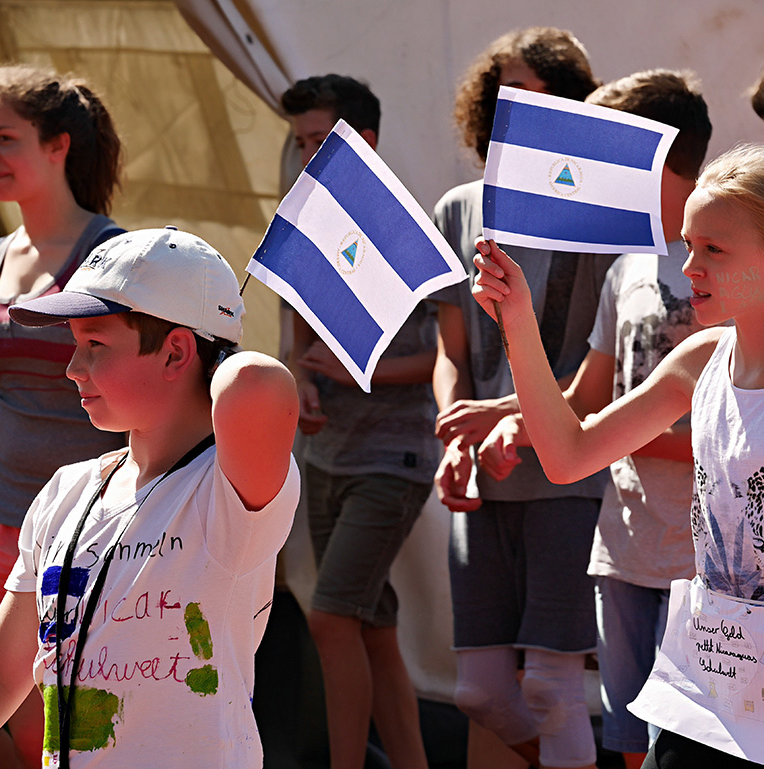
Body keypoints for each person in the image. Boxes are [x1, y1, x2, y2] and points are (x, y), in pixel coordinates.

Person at [470, 145, 764, 769]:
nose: (689, 266)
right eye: (687, 244)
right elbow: (568, 455)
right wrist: (517, 320)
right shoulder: (698, 361)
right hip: (705, 689)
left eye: (713, 249)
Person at [0, 226, 299, 768]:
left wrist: (217, 355)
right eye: (74, 344)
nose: (72, 369)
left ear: (175, 354)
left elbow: (257, 386)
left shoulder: (225, 494)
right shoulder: (64, 494)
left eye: (95, 345)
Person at [477, 69, 710, 769]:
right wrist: (514, 426)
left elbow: (740, 431)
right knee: (634, 746)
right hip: (625, 548)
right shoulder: (625, 265)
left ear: (658, 156)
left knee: (692, 747)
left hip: (705, 563)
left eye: (609, 154)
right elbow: (586, 394)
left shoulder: (724, 262)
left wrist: (612, 441)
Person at [432, 26, 608, 769]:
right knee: (477, 691)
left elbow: (603, 370)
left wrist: (520, 426)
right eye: (501, 97)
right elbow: (453, 351)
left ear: (572, 110)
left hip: (572, 477)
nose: (512, 114)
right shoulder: (458, 207)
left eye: (531, 97)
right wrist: (456, 433)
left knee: (553, 687)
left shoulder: (602, 213)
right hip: (478, 479)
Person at [0, 63, 127, 768]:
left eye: (5, 137)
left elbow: (140, 399)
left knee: (80, 734)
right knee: (21, 727)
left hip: (86, 529)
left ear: (59, 144)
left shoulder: (116, 257)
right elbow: (1, 401)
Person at [281, 74, 438, 769]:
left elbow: (445, 355)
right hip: (327, 455)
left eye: (321, 140)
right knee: (371, 624)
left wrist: (357, 370)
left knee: (331, 613)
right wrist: (304, 385)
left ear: (364, 141)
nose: (309, 155)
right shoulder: (300, 229)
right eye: (301, 142)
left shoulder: (412, 229)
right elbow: (298, 344)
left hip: (393, 457)